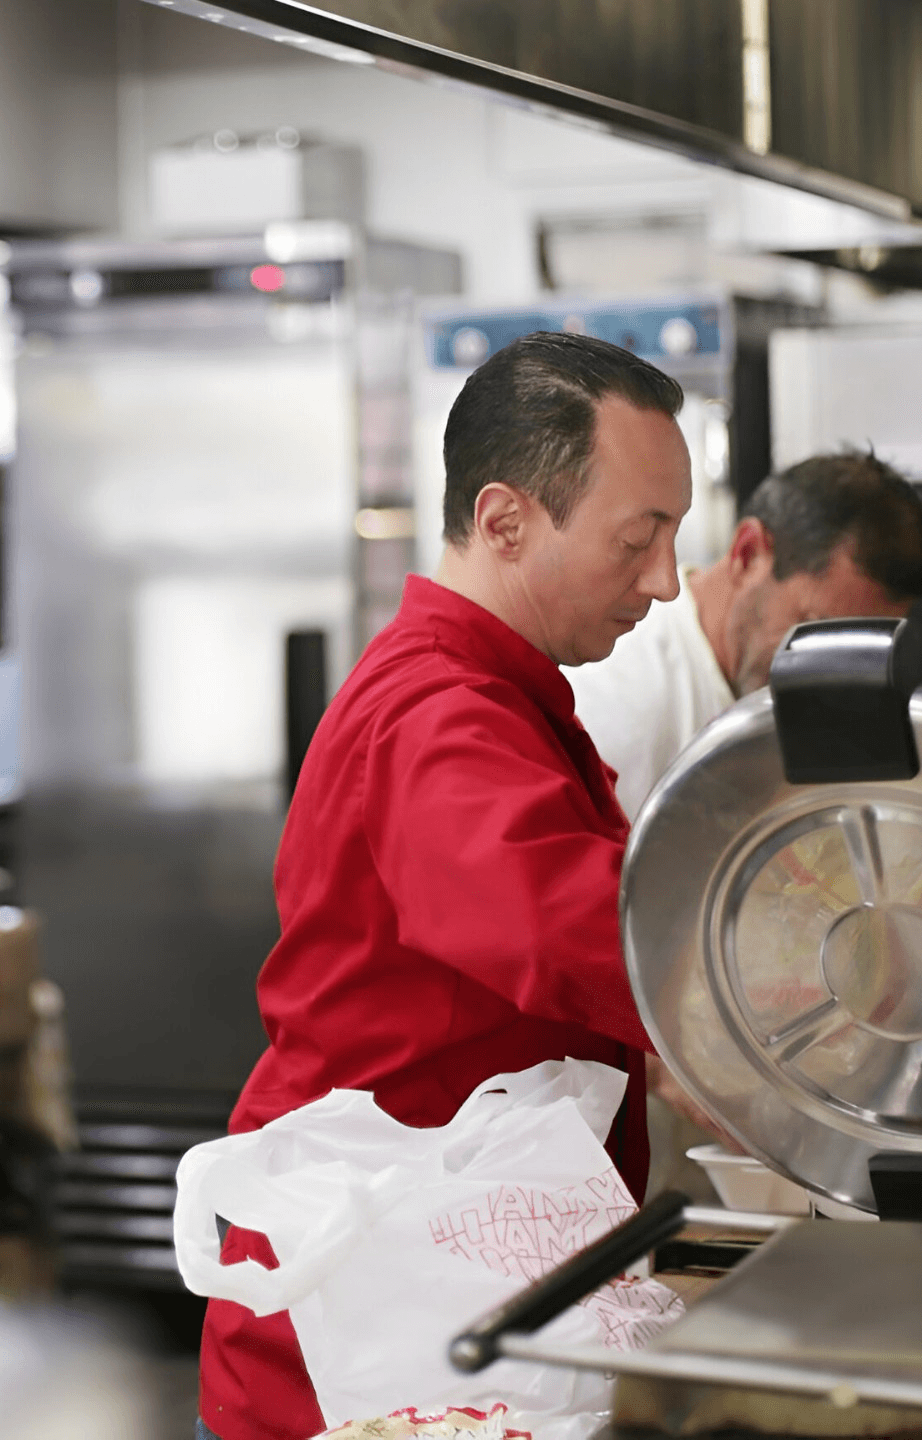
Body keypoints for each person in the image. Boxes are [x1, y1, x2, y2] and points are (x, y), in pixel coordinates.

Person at [197, 332, 694, 1440]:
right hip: (361, 1335)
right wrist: (769, 1005)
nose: (665, 581)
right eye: (639, 537)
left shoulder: (507, 691)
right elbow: (567, 925)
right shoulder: (438, 715)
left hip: (453, 1279)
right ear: (508, 519)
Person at [566, 450, 922, 820]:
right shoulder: (616, 701)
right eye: (813, 627)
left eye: (859, 652)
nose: (830, 672)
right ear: (748, 554)